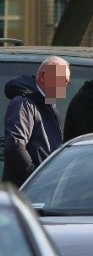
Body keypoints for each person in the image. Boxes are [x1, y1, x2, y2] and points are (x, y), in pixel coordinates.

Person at [2, 56, 70, 187]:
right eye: (63, 80)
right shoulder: (24, 103)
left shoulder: (47, 104)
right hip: (27, 188)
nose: (65, 86)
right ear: (44, 77)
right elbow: (15, 145)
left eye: (67, 82)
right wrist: (36, 176)